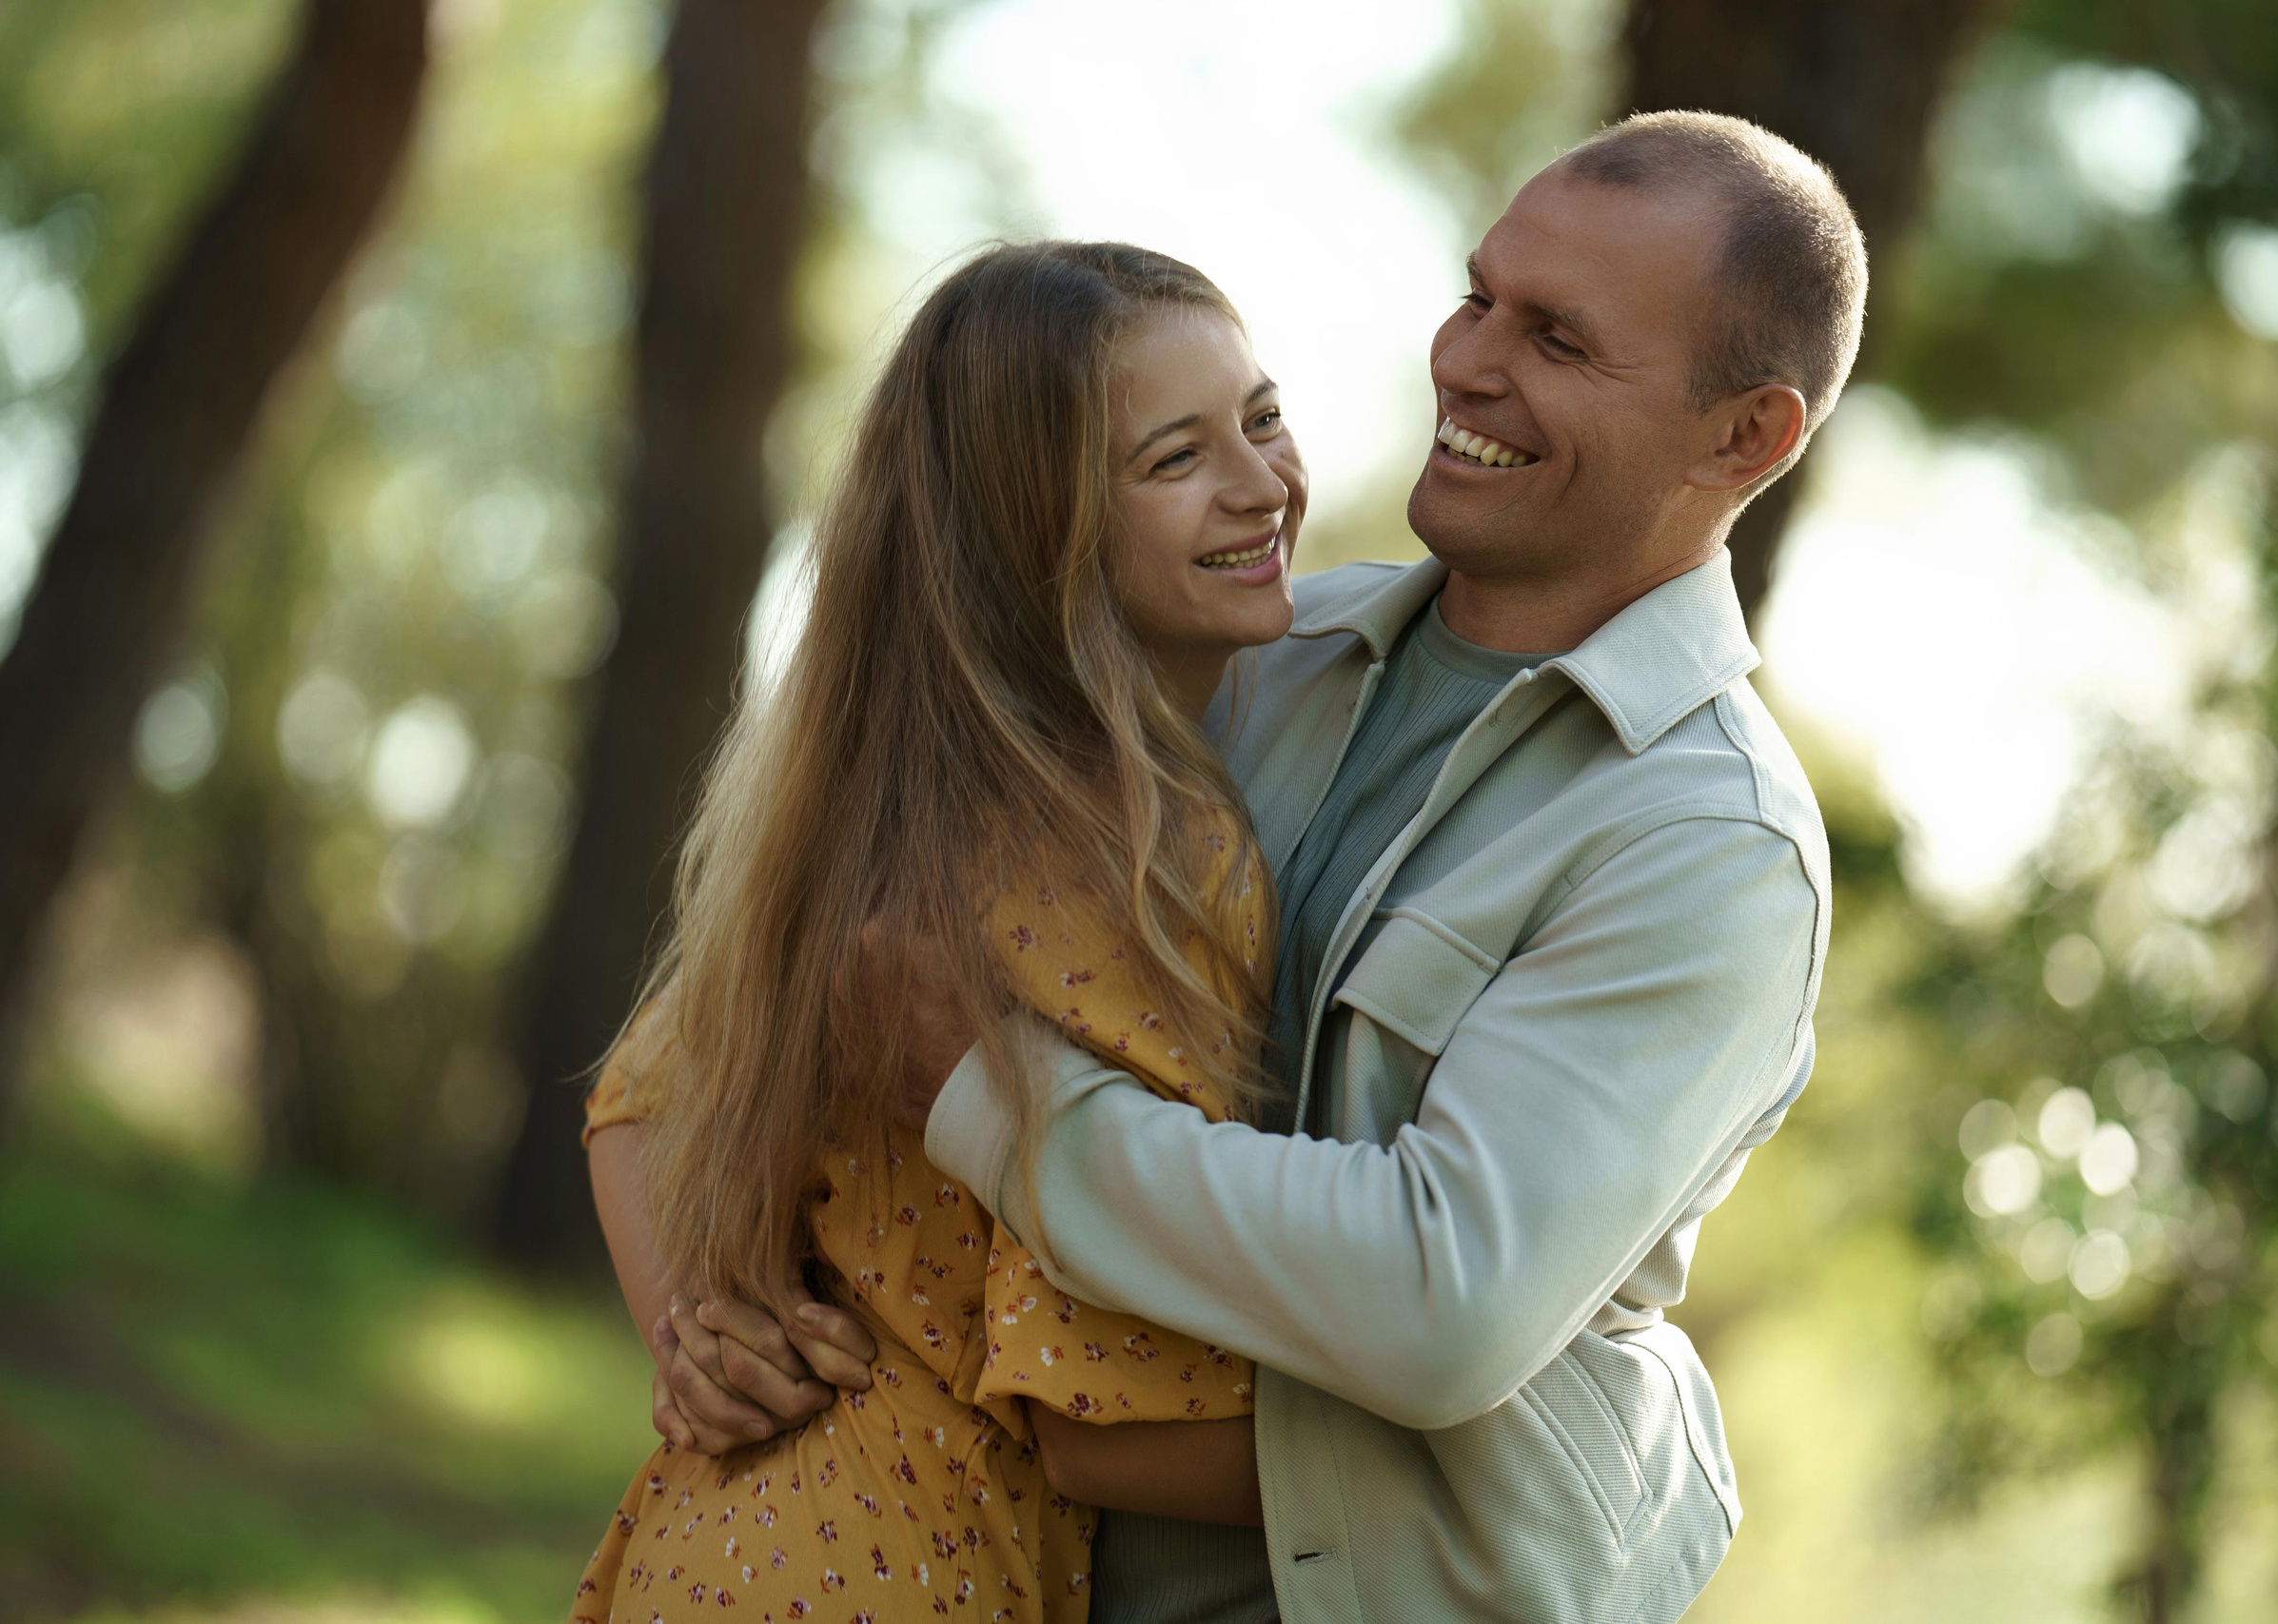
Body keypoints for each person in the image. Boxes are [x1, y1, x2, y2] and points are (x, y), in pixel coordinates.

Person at [653, 108, 1863, 1623]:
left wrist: (986, 1092)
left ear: (1745, 436)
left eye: (1557, 338)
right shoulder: (1240, 650)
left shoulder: (1706, 844)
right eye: (1480, 294)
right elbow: (719, 1023)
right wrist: (710, 1294)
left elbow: (1441, 1298)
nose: (1471, 361)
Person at [569, 239, 1311, 1623]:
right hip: (901, 1576)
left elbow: (635, 1096)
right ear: (1045, 528)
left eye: (1263, 417)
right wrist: (1506, 1440)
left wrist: (702, 1327)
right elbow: (1101, 1421)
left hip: (716, 1552)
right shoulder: (1145, 852)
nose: (1264, 484)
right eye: (1175, 460)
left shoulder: (886, 800)